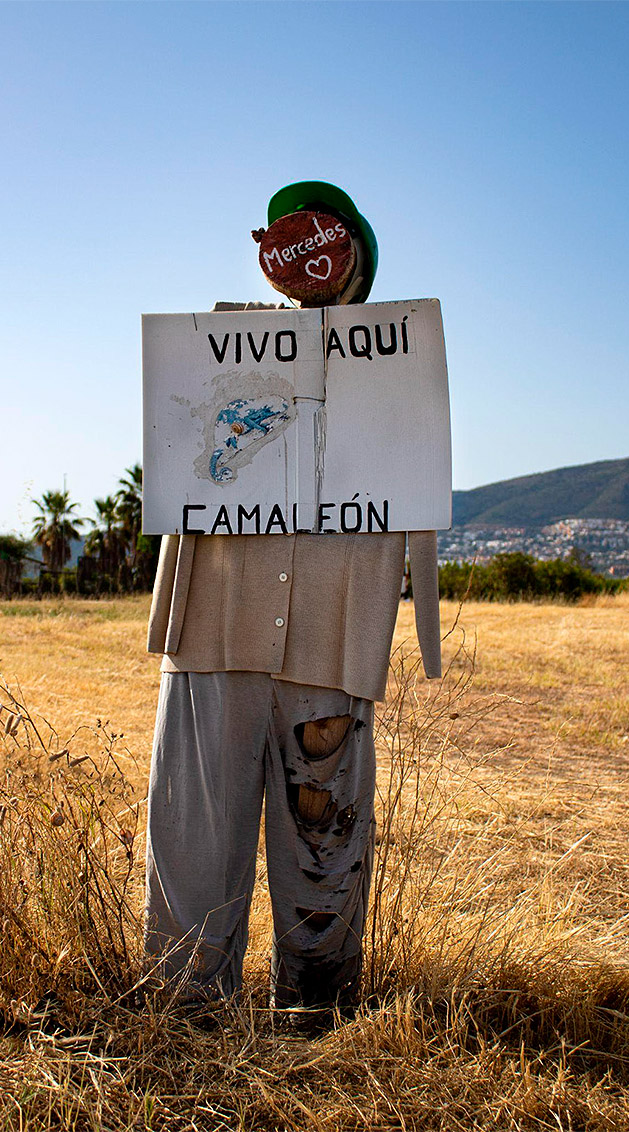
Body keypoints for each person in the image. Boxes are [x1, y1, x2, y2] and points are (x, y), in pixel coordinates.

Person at [143, 182, 441, 1024]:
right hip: (216, 625)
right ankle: (185, 1013)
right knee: (198, 839)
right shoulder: (220, 338)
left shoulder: (393, 372)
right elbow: (188, 449)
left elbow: (407, 486)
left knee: (326, 846)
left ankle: (316, 1016)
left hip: (330, 638)